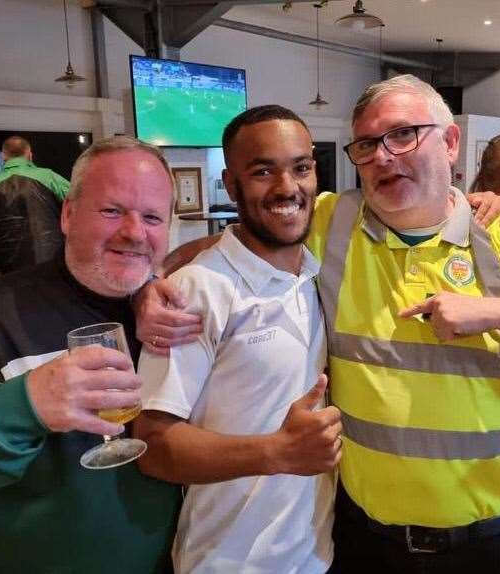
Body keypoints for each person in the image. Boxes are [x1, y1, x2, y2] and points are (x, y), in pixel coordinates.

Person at [141, 75, 500, 573]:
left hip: (490, 544)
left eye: (403, 135)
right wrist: (153, 281)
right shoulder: (331, 222)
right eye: (366, 144)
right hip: (362, 542)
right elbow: (246, 238)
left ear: (450, 143)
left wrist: (495, 311)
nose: (383, 155)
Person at [0, 136, 186, 574]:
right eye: (112, 211)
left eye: (153, 217)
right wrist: (23, 406)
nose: (135, 232)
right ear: (67, 214)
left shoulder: (170, 312)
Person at [134, 105, 340, 573]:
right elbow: (152, 444)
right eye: (263, 171)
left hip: (315, 553)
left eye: (301, 168)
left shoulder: (315, 271)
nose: (288, 187)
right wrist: (278, 452)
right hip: (226, 561)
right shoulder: (197, 289)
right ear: (231, 185)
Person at [0, 135, 70, 272]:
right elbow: (81, 205)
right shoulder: (50, 178)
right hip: (53, 263)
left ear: (3, 157)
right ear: (30, 155)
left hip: (10, 267)